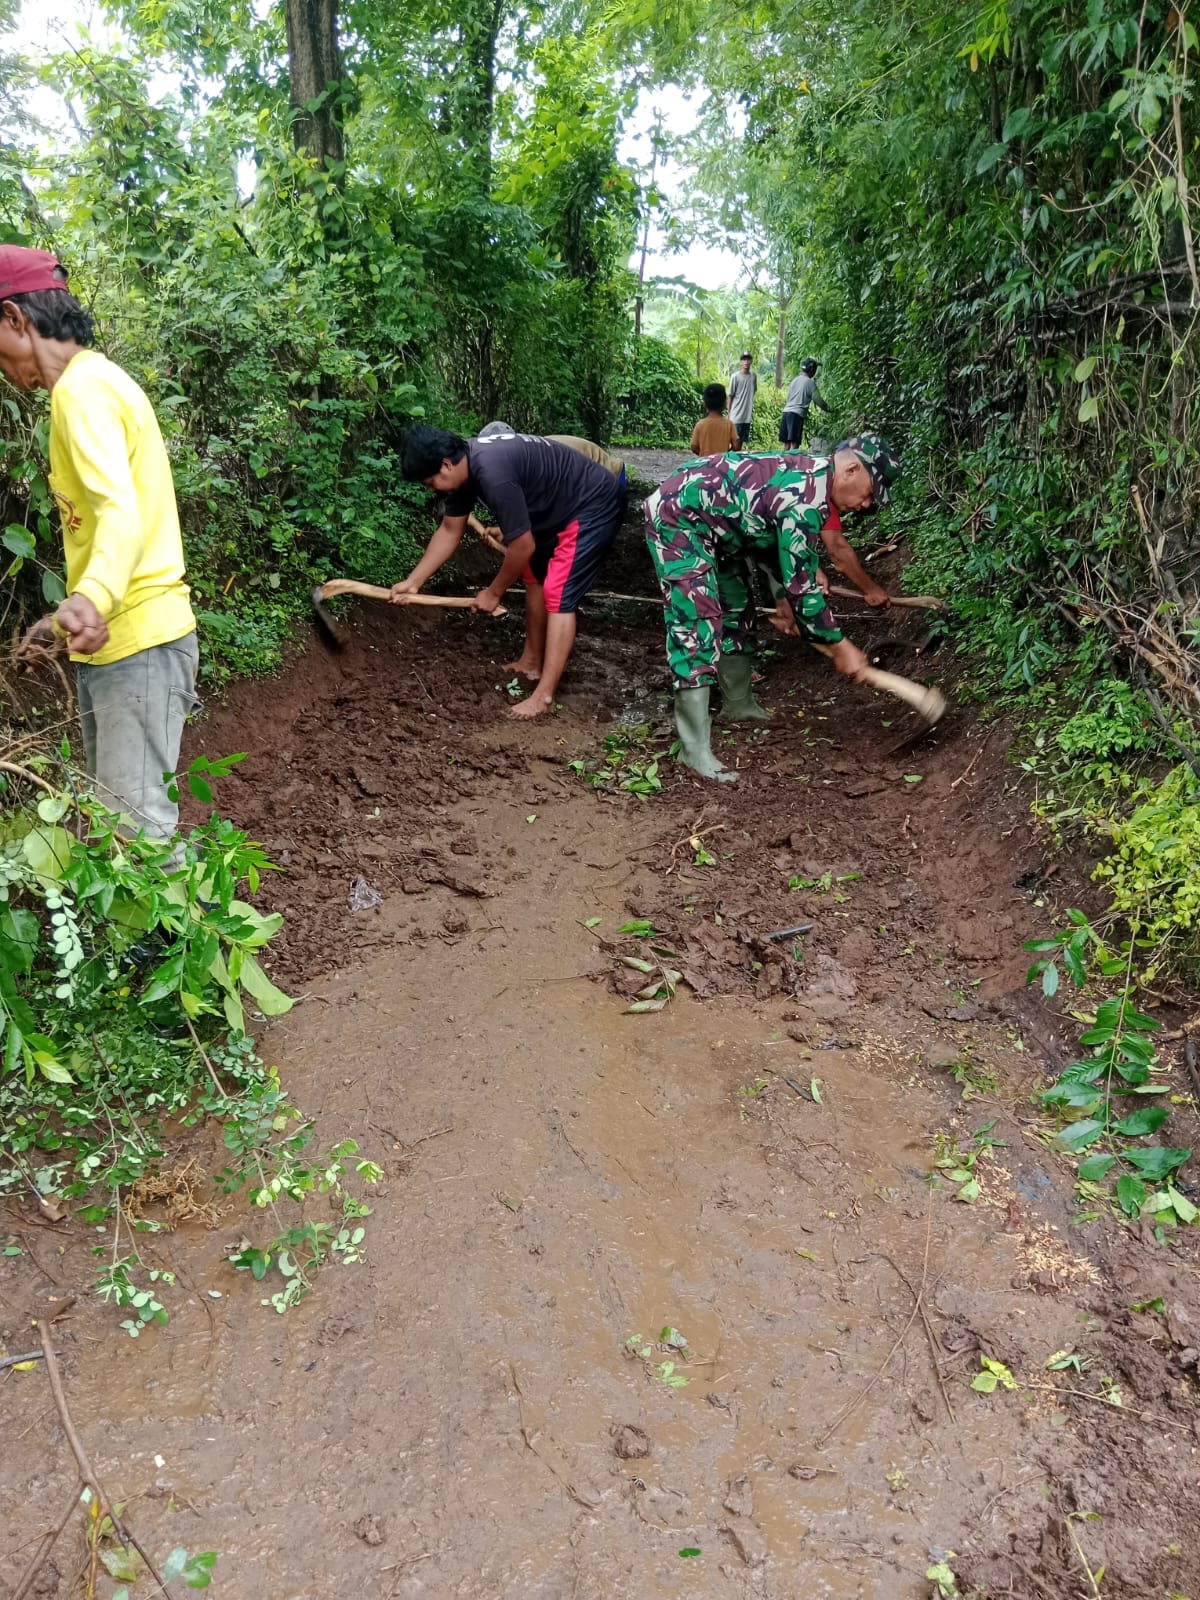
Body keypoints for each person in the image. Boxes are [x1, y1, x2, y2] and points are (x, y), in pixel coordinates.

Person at [0, 247, 198, 842]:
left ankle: (162, 940)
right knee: (121, 821)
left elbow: (120, 513)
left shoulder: (79, 393)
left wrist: (95, 596)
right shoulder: (97, 381)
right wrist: (63, 624)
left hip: (137, 642)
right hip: (133, 638)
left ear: (14, 319)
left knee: (136, 833)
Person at [643, 435, 900, 782]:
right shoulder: (806, 496)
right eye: (870, 493)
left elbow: (766, 535)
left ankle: (738, 703)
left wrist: (782, 599)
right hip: (680, 517)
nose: (867, 505)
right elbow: (805, 588)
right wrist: (842, 647)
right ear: (852, 468)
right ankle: (693, 748)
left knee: (736, 605)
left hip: (721, 529)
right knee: (696, 620)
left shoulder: (817, 483)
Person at [393, 424, 624, 718]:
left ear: (446, 464)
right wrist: (413, 582)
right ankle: (530, 662)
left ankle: (544, 696)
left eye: (430, 482)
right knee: (533, 578)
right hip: (555, 508)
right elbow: (450, 530)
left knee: (558, 590)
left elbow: (522, 547)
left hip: (592, 504)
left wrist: (493, 592)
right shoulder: (465, 470)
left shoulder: (491, 471)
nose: (431, 489)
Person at [472, 421, 627, 679]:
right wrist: (508, 531)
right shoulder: (516, 460)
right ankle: (532, 660)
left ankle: (552, 667)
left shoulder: (543, 456)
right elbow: (531, 507)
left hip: (606, 479)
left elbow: (563, 501)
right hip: (571, 496)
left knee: (562, 581)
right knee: (537, 573)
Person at [779, 358, 831, 448]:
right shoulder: (810, 383)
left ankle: (783, 461)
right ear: (811, 369)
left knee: (787, 444)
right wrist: (830, 409)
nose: (815, 371)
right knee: (794, 444)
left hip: (786, 412)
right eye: (815, 369)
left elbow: (788, 398)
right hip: (796, 415)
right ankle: (792, 461)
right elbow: (818, 400)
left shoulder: (795, 380)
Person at [690, 383, 739, 456]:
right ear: (725, 403)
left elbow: (694, 447)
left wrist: (703, 455)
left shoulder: (700, 424)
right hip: (722, 465)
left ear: (705, 404)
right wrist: (726, 455)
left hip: (706, 465)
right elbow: (736, 446)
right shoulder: (729, 424)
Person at [728, 352, 757, 448]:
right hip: (736, 416)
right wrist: (729, 414)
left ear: (751, 361)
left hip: (746, 417)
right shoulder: (735, 377)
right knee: (733, 444)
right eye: (744, 359)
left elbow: (754, 391)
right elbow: (730, 396)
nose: (746, 362)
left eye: (748, 359)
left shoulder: (753, 376)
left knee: (740, 445)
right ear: (740, 362)